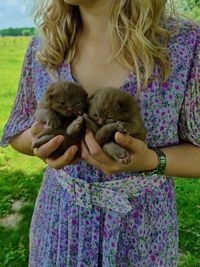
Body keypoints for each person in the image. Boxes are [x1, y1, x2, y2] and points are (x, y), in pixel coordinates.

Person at [1, 0, 200, 266]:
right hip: (58, 229)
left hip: (143, 236)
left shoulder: (184, 44)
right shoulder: (45, 46)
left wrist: (152, 161)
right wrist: (40, 142)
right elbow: (17, 132)